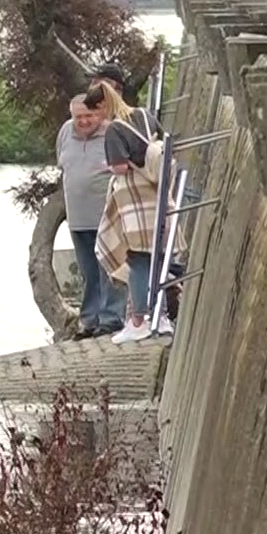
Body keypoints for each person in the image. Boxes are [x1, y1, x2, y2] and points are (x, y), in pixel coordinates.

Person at [88, 78, 170, 344]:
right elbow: (161, 143)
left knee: (136, 258)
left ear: (103, 105)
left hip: (134, 196)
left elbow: (121, 167)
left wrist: (107, 165)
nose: (97, 119)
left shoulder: (114, 129)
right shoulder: (145, 115)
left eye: (96, 112)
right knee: (157, 255)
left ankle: (138, 320)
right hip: (157, 191)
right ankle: (161, 316)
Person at [55, 93, 124, 338]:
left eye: (89, 115)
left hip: (108, 217)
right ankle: (90, 320)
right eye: (78, 117)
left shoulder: (112, 133)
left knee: (110, 269)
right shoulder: (65, 132)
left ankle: (112, 319)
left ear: (100, 113)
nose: (83, 121)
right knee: (88, 272)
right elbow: (62, 164)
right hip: (78, 217)